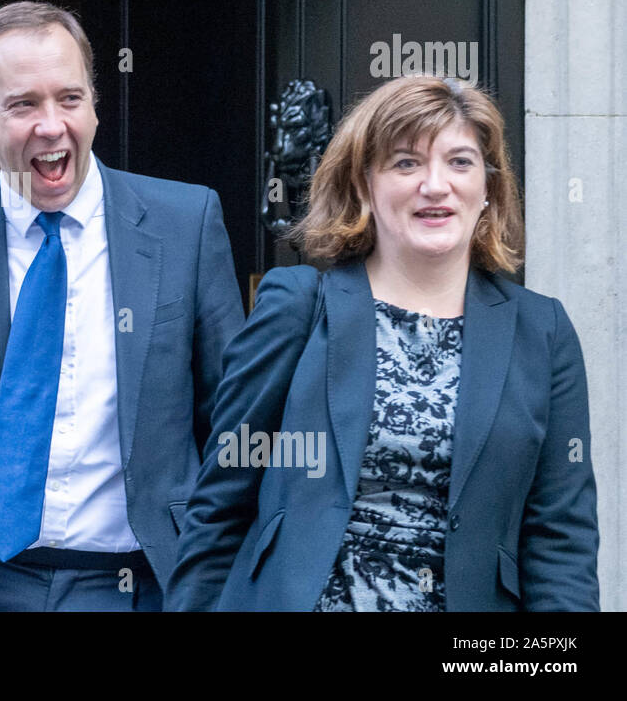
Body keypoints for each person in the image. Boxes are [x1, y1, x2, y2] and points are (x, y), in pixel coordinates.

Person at [0, 1, 245, 611]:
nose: (51, 125)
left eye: (69, 98)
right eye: (22, 105)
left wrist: (219, 571)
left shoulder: (186, 224)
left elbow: (232, 414)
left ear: (94, 103)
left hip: (143, 585)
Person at [166, 75, 599, 611]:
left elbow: (561, 543)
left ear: (488, 187)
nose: (435, 185)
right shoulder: (298, 304)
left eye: (460, 162)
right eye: (405, 163)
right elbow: (220, 509)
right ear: (364, 185)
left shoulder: (543, 332)